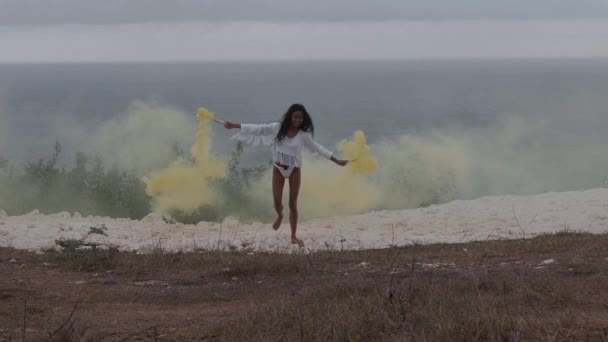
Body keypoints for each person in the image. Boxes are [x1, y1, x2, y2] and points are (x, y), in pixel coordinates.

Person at [224, 103, 349, 246]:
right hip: (278, 169)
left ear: (303, 120)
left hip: (294, 169)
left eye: (300, 118)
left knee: (292, 204)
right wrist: (233, 125)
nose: (297, 120)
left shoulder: (303, 136)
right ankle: (280, 215)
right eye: (295, 117)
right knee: (277, 202)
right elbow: (258, 129)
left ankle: (293, 236)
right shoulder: (277, 128)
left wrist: (337, 160)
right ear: (290, 116)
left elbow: (318, 149)